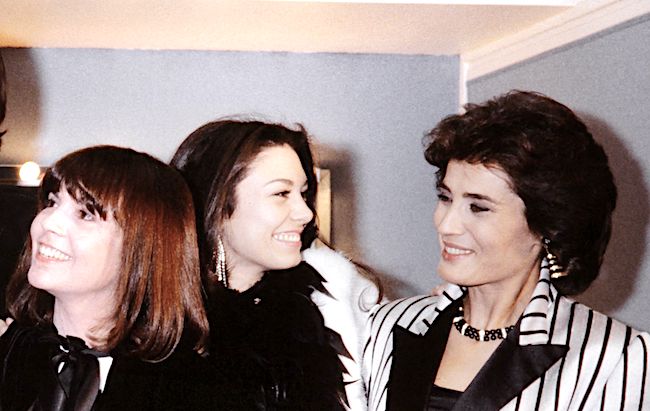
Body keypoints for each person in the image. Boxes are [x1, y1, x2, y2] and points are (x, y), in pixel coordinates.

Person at [362, 91, 650, 410]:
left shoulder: (614, 356)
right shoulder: (389, 324)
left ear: (547, 226)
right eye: (445, 197)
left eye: (478, 207)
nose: (446, 224)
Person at [172, 119, 380, 410]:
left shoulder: (337, 308)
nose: (305, 213)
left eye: (303, 193)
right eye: (281, 194)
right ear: (218, 206)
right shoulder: (160, 325)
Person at [0, 145, 217, 410]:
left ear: (141, 248)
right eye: (52, 202)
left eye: (85, 214)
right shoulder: (11, 353)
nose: (48, 222)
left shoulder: (192, 388)